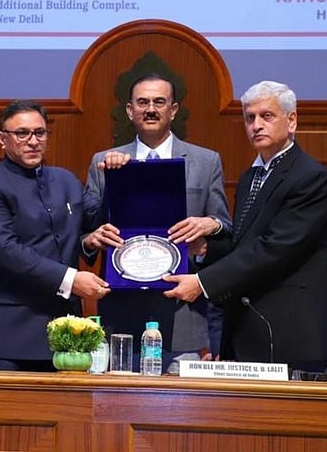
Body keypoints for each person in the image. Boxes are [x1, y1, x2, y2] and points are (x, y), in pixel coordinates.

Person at [164, 80, 327, 376]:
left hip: (292, 339)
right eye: (249, 117)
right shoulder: (249, 178)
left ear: (291, 120)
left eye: (266, 116)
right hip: (248, 334)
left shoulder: (311, 177)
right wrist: (206, 247)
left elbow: (274, 249)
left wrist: (202, 282)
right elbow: (244, 245)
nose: (256, 125)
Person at [84, 74, 231, 373]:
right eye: (143, 102)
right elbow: (87, 227)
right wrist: (112, 184)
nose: (151, 109)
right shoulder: (104, 162)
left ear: (173, 110)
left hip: (183, 317)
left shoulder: (206, 161)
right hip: (121, 318)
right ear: (129, 110)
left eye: (159, 102)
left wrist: (209, 225)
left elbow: (225, 228)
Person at [0, 100, 111, 372]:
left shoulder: (66, 180)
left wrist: (117, 177)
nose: (33, 141)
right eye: (22, 134)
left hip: (67, 335)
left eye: (40, 133)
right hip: (9, 336)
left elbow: (100, 217)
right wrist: (70, 279)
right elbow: (3, 250)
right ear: (2, 139)